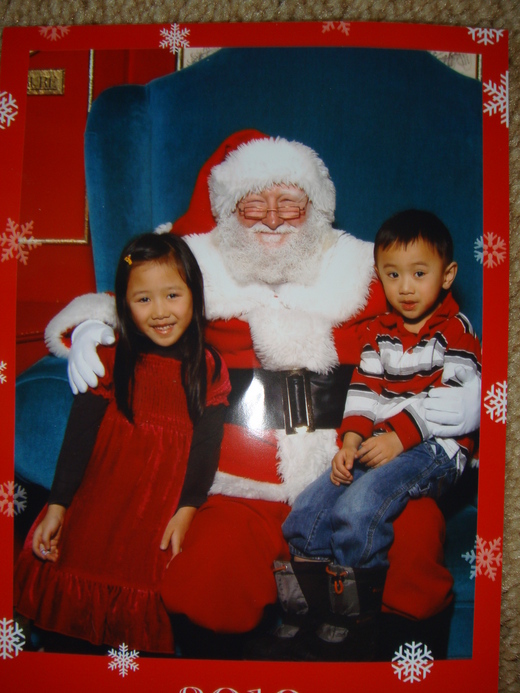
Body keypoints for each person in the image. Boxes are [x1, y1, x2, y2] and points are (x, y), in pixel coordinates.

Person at [44, 132, 481, 657]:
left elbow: (437, 319)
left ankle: (400, 672)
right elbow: (138, 297)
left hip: (353, 471)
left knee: (414, 542)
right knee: (203, 584)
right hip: (243, 487)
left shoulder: (364, 269)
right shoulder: (199, 271)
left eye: (289, 204)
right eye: (253, 204)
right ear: (228, 211)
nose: (272, 219)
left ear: (317, 207)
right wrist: (94, 328)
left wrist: (466, 401)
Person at [277, 209, 481, 659]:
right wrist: (350, 443)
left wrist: (398, 439)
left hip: (435, 447)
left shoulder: (456, 330)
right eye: (392, 274)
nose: (405, 287)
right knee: (306, 511)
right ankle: (309, 607)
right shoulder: (378, 333)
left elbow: (451, 397)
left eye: (419, 273)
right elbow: (364, 393)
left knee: (359, 507)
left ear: (447, 275)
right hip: (381, 441)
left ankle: (355, 616)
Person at [14, 232, 231, 654]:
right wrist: (58, 504)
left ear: (195, 295)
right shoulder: (111, 357)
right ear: (125, 306)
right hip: (101, 498)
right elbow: (78, 436)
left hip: (159, 509)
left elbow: (207, 447)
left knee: (140, 625)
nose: (160, 311)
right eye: (143, 299)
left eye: (172, 295)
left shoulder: (208, 367)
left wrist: (188, 508)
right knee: (73, 618)